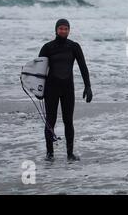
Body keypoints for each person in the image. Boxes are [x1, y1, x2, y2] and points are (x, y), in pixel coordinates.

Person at [38, 19, 93, 161]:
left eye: (66, 29)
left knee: (68, 121)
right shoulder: (47, 47)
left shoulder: (74, 47)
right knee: (51, 120)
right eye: (61, 28)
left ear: (69, 30)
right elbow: (39, 70)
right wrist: (39, 90)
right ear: (56, 30)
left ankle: (70, 153)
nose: (63, 31)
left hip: (68, 88)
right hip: (51, 89)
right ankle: (49, 154)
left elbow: (83, 67)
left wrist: (88, 86)